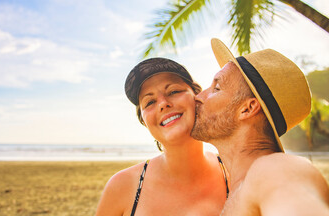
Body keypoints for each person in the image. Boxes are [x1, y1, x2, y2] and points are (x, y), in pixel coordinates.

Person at [191, 38, 329, 216]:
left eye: (216, 88)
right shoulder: (239, 186)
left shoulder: (274, 170)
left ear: (247, 108)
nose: (198, 96)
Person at [95, 57, 229, 216]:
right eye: (150, 102)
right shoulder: (123, 186)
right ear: (144, 121)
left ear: (197, 98)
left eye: (173, 91)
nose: (163, 104)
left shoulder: (234, 173)